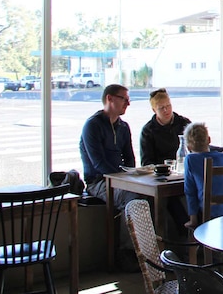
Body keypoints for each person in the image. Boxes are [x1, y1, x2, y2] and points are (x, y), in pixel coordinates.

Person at [78, 84, 141, 270]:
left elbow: (129, 157)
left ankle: (146, 251)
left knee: (148, 196)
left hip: (120, 180)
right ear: (110, 99)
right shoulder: (93, 125)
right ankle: (126, 253)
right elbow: (98, 164)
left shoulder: (123, 127)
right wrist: (124, 178)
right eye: (124, 99)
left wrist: (131, 175)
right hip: (98, 182)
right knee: (133, 198)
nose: (128, 103)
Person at [182, 122, 223, 230]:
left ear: (188, 147)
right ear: (209, 140)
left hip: (209, 214)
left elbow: (190, 191)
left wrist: (193, 220)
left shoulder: (190, 159)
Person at [139, 88, 191, 166]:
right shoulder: (148, 131)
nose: (166, 110)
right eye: (161, 108)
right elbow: (146, 161)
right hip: (159, 172)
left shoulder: (184, 124)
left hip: (183, 168)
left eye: (168, 105)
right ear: (154, 110)